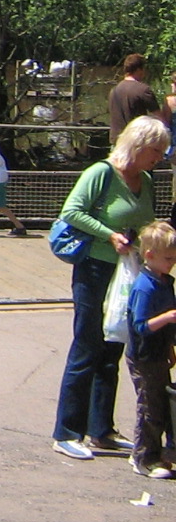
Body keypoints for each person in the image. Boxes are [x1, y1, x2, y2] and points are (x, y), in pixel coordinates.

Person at [51, 114, 169, 461]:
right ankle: (66, 431)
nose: (159, 158)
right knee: (87, 344)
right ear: (138, 145)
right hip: (94, 268)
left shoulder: (146, 180)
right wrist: (109, 234)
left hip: (126, 271)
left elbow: (147, 220)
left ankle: (101, 429)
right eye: (156, 151)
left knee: (112, 347)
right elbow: (71, 212)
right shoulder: (101, 173)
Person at [125, 221, 176, 479]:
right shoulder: (145, 287)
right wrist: (166, 317)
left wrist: (169, 346)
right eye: (168, 258)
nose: (172, 263)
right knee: (150, 408)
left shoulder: (165, 281)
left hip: (159, 353)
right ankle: (144, 458)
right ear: (149, 256)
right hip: (144, 356)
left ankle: (162, 455)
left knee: (163, 406)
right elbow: (141, 326)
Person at [109, 54, 163, 140]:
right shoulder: (143, 90)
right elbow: (159, 118)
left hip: (117, 141)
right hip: (136, 140)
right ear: (139, 69)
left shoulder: (114, 90)